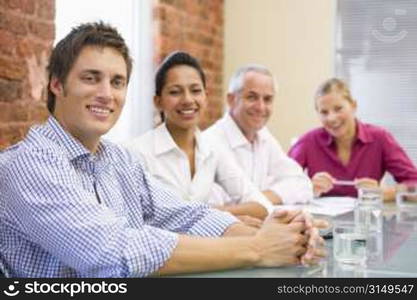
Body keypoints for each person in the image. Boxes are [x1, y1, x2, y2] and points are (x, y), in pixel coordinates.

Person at [0, 22, 325, 278]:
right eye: (90, 78)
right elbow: (112, 254)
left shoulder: (119, 160)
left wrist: (282, 238)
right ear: (57, 84)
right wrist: (257, 248)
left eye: (117, 82)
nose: (106, 94)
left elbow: (188, 214)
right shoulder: (27, 164)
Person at [124, 52, 272, 225]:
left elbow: (262, 205)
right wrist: (219, 217)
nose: (187, 100)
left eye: (195, 91)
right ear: (158, 102)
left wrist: (217, 213)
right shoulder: (135, 154)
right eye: (175, 92)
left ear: (205, 97)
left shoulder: (211, 149)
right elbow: (139, 223)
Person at [288, 78, 417, 201]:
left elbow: (414, 182)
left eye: (338, 109)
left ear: (353, 106)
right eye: (324, 112)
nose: (331, 118)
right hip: (321, 222)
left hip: (366, 220)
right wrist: (308, 187)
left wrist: (386, 193)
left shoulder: (380, 138)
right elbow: (280, 184)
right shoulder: (308, 141)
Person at [203, 65, 313, 205]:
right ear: (231, 100)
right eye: (252, 97)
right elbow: (215, 206)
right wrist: (265, 199)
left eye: (267, 99)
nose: (260, 107)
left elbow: (302, 184)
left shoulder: (263, 136)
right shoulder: (210, 143)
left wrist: (256, 201)